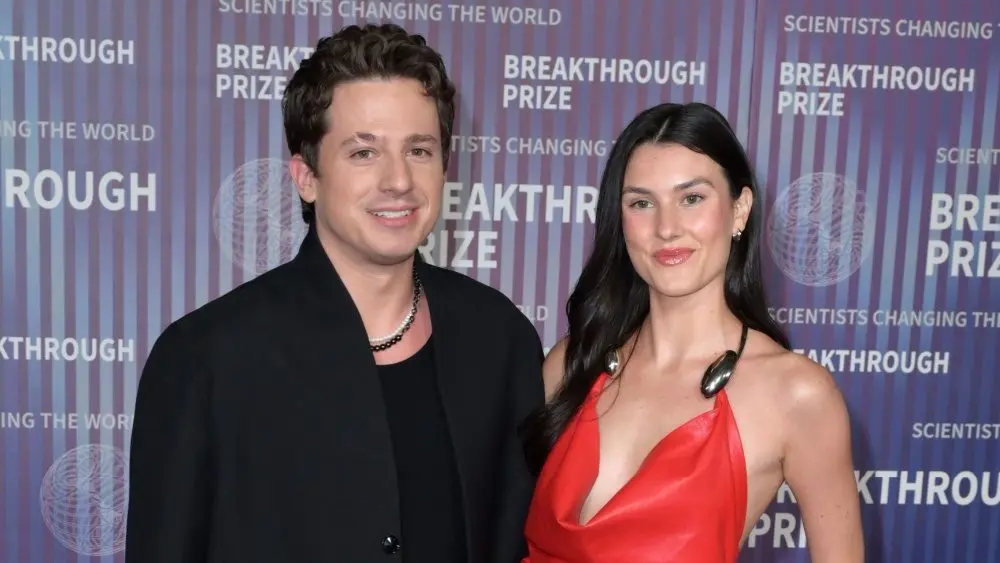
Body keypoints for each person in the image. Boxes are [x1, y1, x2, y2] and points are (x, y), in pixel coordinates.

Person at [125, 23, 544, 563]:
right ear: (306, 177)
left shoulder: (499, 338)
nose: (399, 181)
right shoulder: (206, 359)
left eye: (419, 150)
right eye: (364, 153)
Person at [517, 102, 864, 562]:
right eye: (642, 203)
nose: (666, 228)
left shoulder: (796, 394)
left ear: (739, 210)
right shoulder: (570, 365)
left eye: (692, 198)